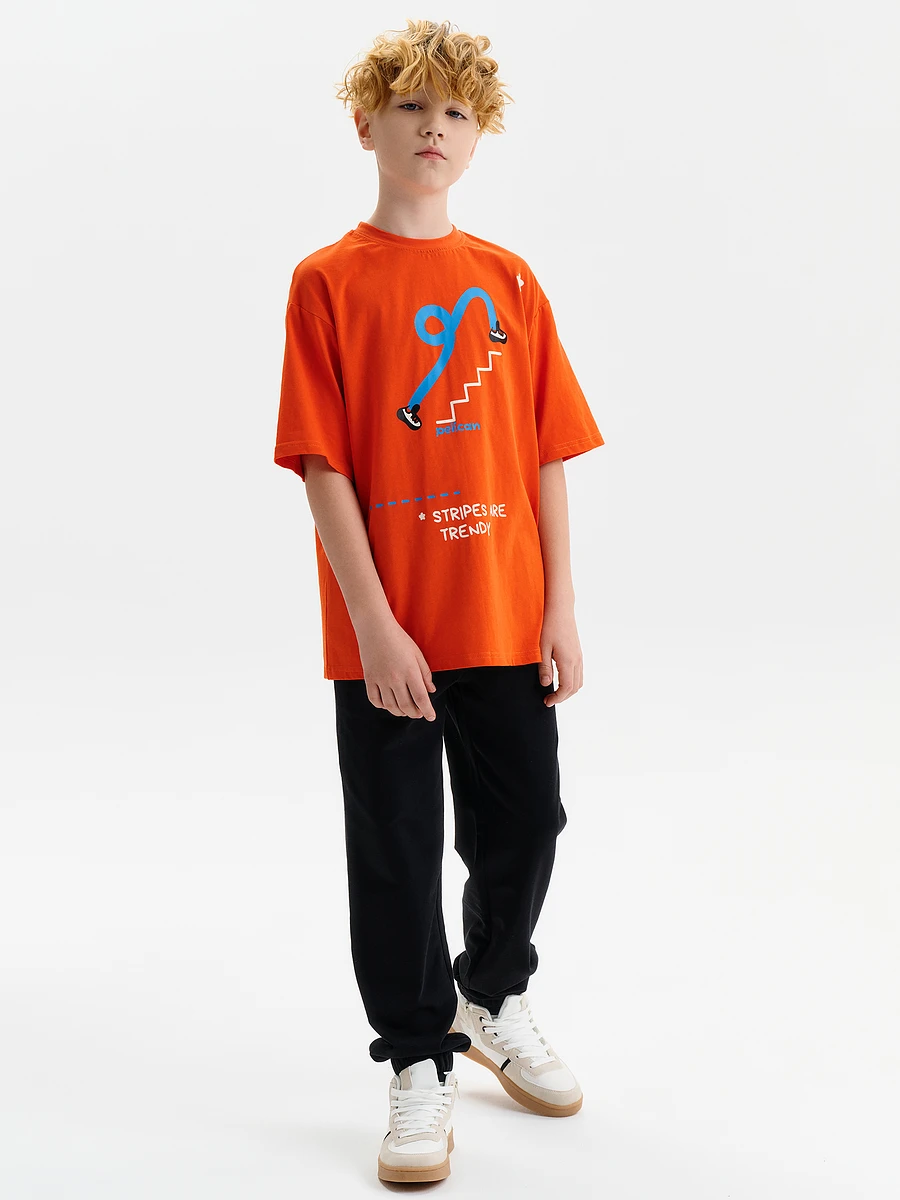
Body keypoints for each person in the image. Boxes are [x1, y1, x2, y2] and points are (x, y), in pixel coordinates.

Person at [273, 19, 605, 1185]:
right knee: (399, 849)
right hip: (388, 634)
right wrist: (374, 626)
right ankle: (418, 1060)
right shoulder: (327, 282)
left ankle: (489, 995)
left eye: (456, 112)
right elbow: (323, 466)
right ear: (366, 125)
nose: (433, 127)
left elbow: (546, 452)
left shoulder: (509, 281)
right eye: (412, 106)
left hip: (503, 615)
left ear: (479, 138)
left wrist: (561, 607)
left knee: (529, 820)